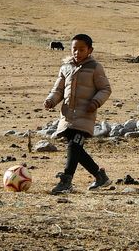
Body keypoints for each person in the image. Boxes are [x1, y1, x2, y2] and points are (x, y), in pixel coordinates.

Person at [44, 34, 112, 194]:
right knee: (76, 150)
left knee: (74, 145)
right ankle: (100, 176)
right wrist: (51, 100)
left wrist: (95, 102)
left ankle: (66, 181)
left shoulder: (95, 67)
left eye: (81, 49)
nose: (77, 52)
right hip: (68, 116)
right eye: (74, 49)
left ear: (90, 50)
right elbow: (58, 90)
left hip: (85, 116)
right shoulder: (65, 68)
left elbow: (105, 89)